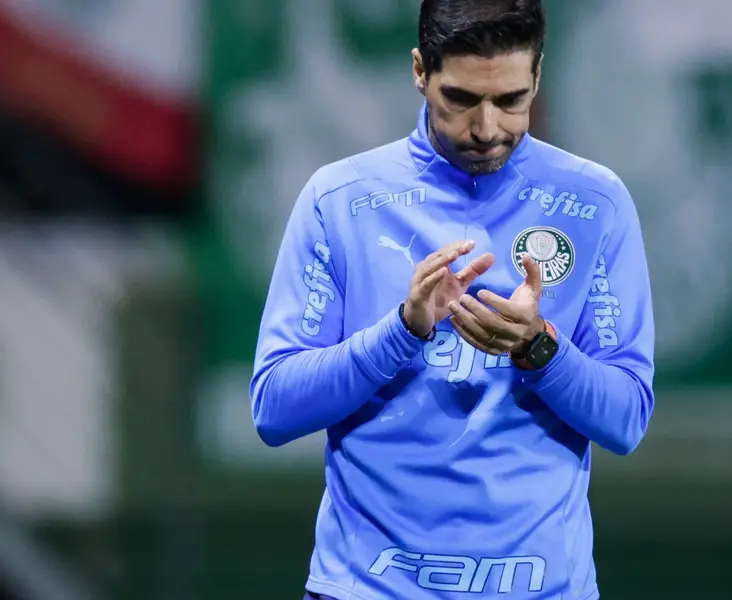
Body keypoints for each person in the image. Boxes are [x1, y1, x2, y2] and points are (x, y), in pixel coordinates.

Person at [250, 1, 655, 597]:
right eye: (462, 99)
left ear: (539, 77)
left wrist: (539, 347)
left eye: (511, 100)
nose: (487, 127)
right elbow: (274, 409)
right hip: (366, 589)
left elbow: (626, 420)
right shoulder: (337, 199)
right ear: (420, 71)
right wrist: (401, 332)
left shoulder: (596, 203)